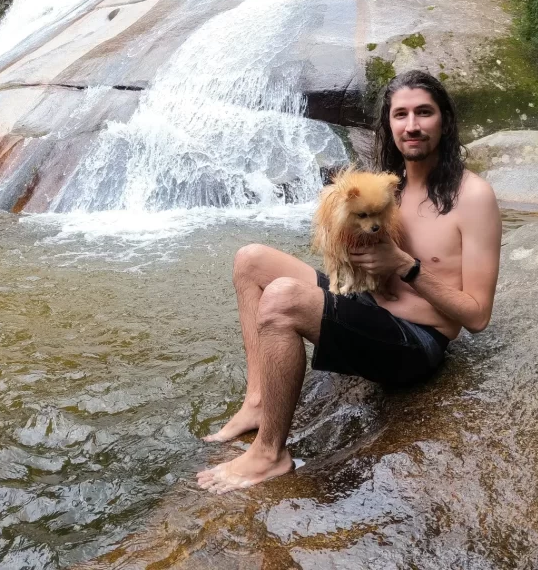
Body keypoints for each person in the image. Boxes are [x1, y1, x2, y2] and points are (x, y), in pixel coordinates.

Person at [196, 69, 502, 494]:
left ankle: (270, 454)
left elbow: (478, 315)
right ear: (389, 124)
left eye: (424, 113)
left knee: (283, 300)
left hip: (417, 340)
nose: (411, 125)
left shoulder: (473, 197)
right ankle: (258, 401)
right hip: (368, 306)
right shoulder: (381, 190)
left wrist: (404, 265)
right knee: (251, 260)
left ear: (445, 121)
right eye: (401, 115)